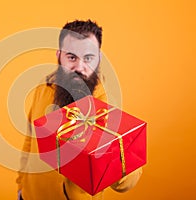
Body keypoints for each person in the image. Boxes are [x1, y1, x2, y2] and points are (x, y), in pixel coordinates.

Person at [16, 19, 142, 200]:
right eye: (72, 57)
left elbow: (128, 182)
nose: (79, 67)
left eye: (88, 58)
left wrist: (114, 157)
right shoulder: (44, 88)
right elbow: (30, 140)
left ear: (98, 58)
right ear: (59, 56)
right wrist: (21, 185)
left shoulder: (106, 108)